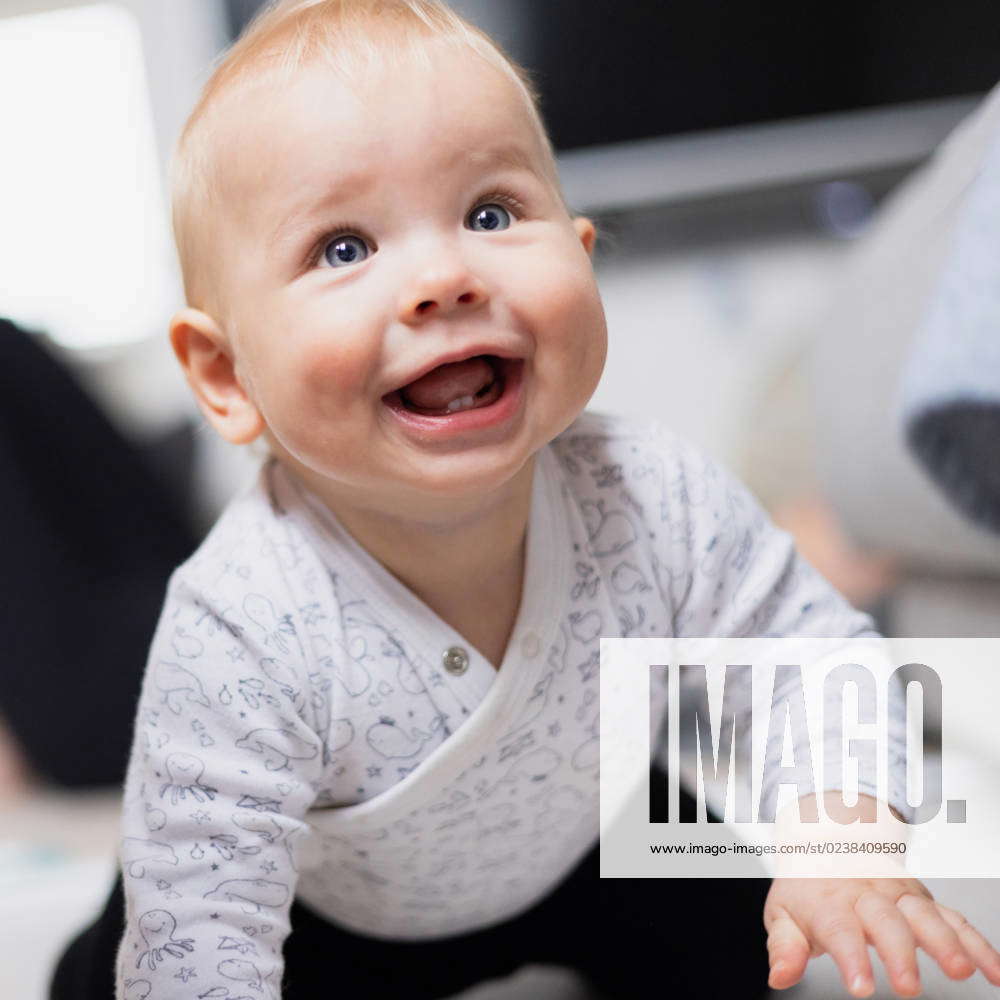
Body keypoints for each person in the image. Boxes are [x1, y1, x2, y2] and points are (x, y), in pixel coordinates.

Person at [51, 2, 1000, 998]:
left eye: (490, 214)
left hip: (583, 832)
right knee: (141, 961)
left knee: (762, 948)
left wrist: (837, 838)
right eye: (342, 247)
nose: (443, 276)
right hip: (334, 908)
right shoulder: (239, 625)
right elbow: (206, 920)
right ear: (226, 374)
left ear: (580, 255)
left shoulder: (647, 491)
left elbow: (801, 648)